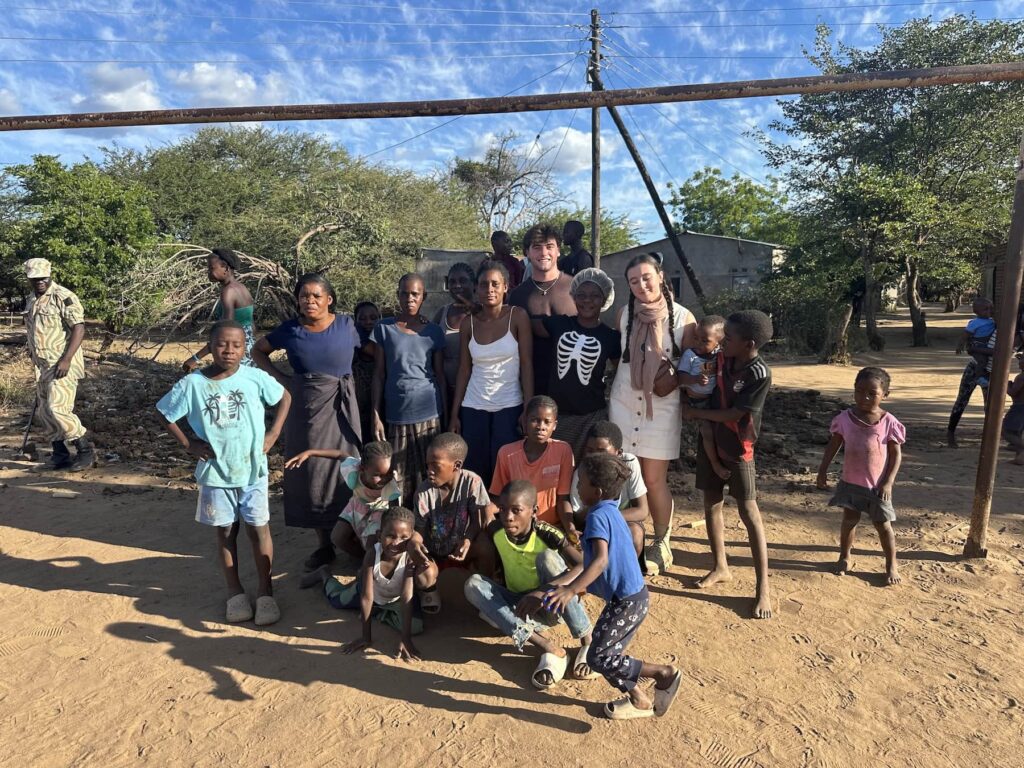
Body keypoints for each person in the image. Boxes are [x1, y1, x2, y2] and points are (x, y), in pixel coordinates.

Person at [157, 320, 291, 626]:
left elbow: (285, 397)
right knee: (226, 532)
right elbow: (165, 412)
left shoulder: (255, 377)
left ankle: (266, 592)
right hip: (217, 472)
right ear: (210, 346)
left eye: (236, 345)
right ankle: (235, 593)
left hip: (253, 469)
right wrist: (188, 443)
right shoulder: (193, 384)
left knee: (259, 530)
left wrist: (273, 434)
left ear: (244, 348)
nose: (228, 351)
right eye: (221, 344)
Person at [543, 454, 681, 720]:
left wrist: (571, 590)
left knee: (599, 657)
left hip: (626, 602)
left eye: (581, 482)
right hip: (631, 599)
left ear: (596, 491)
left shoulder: (597, 517)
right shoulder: (610, 509)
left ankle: (663, 673)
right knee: (605, 654)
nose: (578, 487)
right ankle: (639, 700)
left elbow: (601, 561)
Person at [252, 273, 363, 572]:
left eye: (316, 296)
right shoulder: (290, 329)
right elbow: (257, 350)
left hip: (342, 408)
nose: (309, 301)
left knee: (346, 468)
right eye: (304, 296)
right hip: (306, 409)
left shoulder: (347, 325)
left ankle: (352, 538)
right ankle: (324, 545)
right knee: (312, 472)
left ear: (329, 299)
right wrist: (283, 380)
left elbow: (369, 354)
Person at [681, 310, 774, 619]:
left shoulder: (759, 373)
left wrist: (697, 415)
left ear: (748, 344)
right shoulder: (721, 357)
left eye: (729, 339)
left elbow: (736, 414)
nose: (723, 342)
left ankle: (763, 590)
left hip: (739, 447)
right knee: (711, 503)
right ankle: (720, 566)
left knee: (749, 512)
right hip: (711, 440)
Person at [608, 253, 697, 576]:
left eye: (647, 277)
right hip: (622, 402)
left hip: (661, 407)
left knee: (654, 479)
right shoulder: (624, 314)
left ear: (660, 276)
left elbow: (692, 365)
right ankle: (620, 538)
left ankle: (662, 541)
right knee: (620, 476)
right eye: (634, 281)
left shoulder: (684, 319)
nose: (642, 285)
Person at [464, 480, 596, 689]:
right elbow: (484, 519)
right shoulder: (496, 529)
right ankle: (548, 647)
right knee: (473, 584)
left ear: (534, 511)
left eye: (516, 510)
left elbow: (583, 565)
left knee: (547, 558)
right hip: (520, 608)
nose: (508, 517)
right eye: (504, 509)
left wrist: (541, 593)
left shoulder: (547, 533)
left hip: (551, 604)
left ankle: (589, 641)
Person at [816, 367, 906, 585]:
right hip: (850, 483)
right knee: (849, 521)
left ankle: (891, 564)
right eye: (859, 391)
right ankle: (844, 557)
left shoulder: (889, 422)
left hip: (877, 487)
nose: (864, 398)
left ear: (885, 395)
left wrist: (888, 483)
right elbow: (834, 445)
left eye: (872, 393)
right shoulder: (844, 419)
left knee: (883, 526)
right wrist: (822, 469)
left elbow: (896, 456)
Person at [302, 507, 425, 661]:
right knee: (337, 601)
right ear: (379, 535)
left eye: (403, 538)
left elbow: (407, 597)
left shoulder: (408, 558)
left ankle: (379, 612)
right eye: (390, 536)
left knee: (416, 626)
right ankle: (324, 574)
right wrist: (366, 637)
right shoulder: (373, 554)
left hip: (394, 599)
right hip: (370, 594)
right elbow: (367, 597)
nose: (396, 543)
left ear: (411, 539)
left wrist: (406, 639)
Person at [450, 261, 533, 487]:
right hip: (473, 406)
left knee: (505, 470)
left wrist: (528, 408)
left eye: (495, 284)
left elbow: (526, 365)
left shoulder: (517, 317)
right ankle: (476, 518)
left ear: (506, 287)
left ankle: (503, 519)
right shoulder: (468, 324)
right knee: (474, 472)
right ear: (476, 289)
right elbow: (464, 370)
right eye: (484, 284)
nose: (490, 289)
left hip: (509, 405)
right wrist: (454, 414)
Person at [372, 273, 447, 501]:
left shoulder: (433, 332)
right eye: (404, 293)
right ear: (398, 295)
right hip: (397, 413)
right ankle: (401, 529)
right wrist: (375, 415)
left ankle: (428, 527)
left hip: (430, 413)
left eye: (415, 294)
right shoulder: (383, 329)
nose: (409, 298)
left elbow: (440, 376)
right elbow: (379, 373)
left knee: (429, 472)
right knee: (398, 477)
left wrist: (447, 416)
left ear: (423, 297)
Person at [533, 267, 621, 459]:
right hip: (556, 416)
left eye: (595, 296)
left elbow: (622, 371)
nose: (587, 300)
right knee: (554, 468)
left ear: (605, 299)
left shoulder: (612, 337)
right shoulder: (559, 324)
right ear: (573, 297)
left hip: (590, 416)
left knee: (585, 469)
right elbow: (525, 324)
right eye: (581, 295)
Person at [22, 258, 95, 471]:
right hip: (41, 365)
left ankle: (85, 451)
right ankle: (59, 454)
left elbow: (78, 328)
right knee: (45, 411)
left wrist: (66, 359)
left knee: (58, 408)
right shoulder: (31, 299)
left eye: (43, 277)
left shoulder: (63, 296)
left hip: (61, 364)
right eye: (35, 279)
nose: (40, 282)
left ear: (50, 274)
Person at [411, 432, 496, 614]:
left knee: (485, 547)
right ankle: (429, 591)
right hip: (434, 550)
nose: (429, 471)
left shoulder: (472, 482)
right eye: (427, 465)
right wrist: (415, 542)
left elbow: (476, 522)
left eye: (436, 466)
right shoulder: (423, 492)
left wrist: (467, 539)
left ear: (456, 465)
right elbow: (419, 529)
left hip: (460, 547)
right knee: (423, 575)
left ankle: (486, 589)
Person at [283, 440, 401, 562]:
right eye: (378, 475)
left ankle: (372, 564)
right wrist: (309, 452)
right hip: (356, 506)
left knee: (371, 544)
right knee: (337, 538)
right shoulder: (353, 468)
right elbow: (340, 454)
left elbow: (394, 513)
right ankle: (365, 561)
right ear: (362, 468)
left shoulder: (390, 484)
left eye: (388, 474)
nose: (384, 479)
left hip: (379, 511)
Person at [509, 223, 576, 397]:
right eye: (537, 247)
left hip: (574, 389)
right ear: (527, 252)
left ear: (559, 250)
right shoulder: (517, 296)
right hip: (532, 391)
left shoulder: (578, 289)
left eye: (549, 247)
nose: (544, 253)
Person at [490, 395, 574, 533]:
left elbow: (562, 499)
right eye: (535, 420)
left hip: (551, 528)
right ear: (524, 421)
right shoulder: (506, 453)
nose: (541, 427)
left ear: (555, 426)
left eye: (547, 422)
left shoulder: (563, 451)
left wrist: (570, 527)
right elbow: (499, 497)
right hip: (517, 528)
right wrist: (488, 511)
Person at [569, 421, 649, 560]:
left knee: (635, 533)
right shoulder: (582, 472)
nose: (595, 457)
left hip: (622, 522)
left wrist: (609, 517)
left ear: (618, 453)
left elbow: (642, 511)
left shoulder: (629, 464)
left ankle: (626, 573)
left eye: (601, 452)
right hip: (592, 526)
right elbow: (578, 518)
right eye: (590, 450)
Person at [182, 248, 256, 371]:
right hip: (246, 347)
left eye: (211, 268)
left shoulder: (228, 291)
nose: (208, 272)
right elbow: (252, 326)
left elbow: (225, 331)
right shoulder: (242, 288)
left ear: (225, 268)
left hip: (234, 350)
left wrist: (195, 358)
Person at [677, 315, 728, 481]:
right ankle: (714, 464)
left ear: (719, 342)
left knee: (719, 430)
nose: (698, 343)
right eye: (696, 338)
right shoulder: (690, 355)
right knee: (706, 431)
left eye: (704, 341)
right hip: (697, 401)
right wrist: (695, 380)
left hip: (714, 400)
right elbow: (681, 378)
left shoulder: (719, 355)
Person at [947, 298, 997, 448]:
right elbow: (966, 337)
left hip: (990, 369)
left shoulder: (996, 324)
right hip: (976, 366)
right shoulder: (977, 323)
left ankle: (989, 435)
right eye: (986, 309)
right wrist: (964, 346)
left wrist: (975, 349)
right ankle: (951, 433)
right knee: (962, 400)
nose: (990, 312)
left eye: (991, 309)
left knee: (990, 404)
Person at [432, 262, 475, 411]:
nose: (457, 286)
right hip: (446, 389)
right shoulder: (442, 313)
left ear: (473, 284)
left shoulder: (482, 313)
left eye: (462, 281)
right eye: (452, 282)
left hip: (475, 391)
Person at [353, 301, 381, 448]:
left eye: (373, 318)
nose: (368, 322)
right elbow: (375, 353)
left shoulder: (384, 334)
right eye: (362, 318)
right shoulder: (356, 336)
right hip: (359, 400)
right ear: (355, 320)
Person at [1004, 354, 1024, 464]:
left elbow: (1013, 393)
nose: (1019, 362)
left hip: (1019, 408)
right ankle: (1019, 458)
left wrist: (1006, 385)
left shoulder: (1021, 377)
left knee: (1006, 431)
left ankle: (1022, 449)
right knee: (1017, 433)